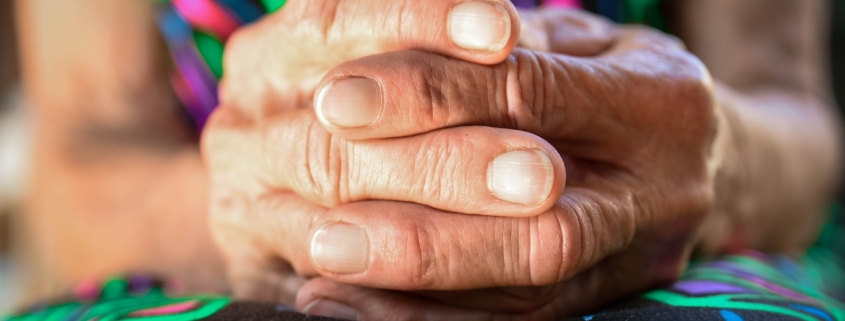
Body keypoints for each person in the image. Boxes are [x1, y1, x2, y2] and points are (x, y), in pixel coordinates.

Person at [12, 0, 843, 320]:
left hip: (675, 257)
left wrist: (703, 152)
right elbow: (82, 157)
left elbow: (794, 129)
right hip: (229, 272)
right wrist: (251, 201)